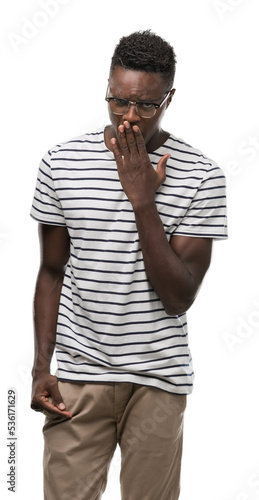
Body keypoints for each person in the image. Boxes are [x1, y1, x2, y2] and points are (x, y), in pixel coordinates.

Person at [30, 30, 227, 500]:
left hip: (158, 381)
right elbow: (51, 271)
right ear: (108, 86)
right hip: (78, 377)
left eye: (146, 105)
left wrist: (142, 201)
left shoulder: (202, 175)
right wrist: (41, 366)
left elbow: (178, 296)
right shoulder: (61, 162)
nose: (129, 117)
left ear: (169, 98)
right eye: (117, 101)